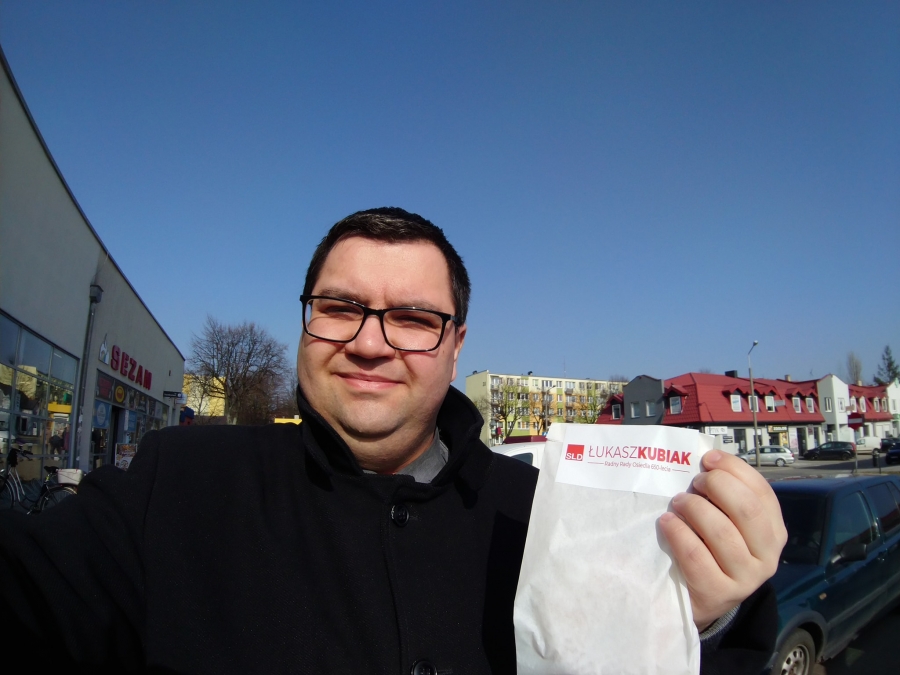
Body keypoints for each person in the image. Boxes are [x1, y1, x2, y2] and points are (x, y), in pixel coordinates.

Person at [0, 208, 786, 673]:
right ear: (305, 321)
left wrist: (699, 616)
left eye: (412, 318)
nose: (370, 343)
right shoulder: (178, 485)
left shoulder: (544, 515)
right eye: (341, 307)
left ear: (456, 345)